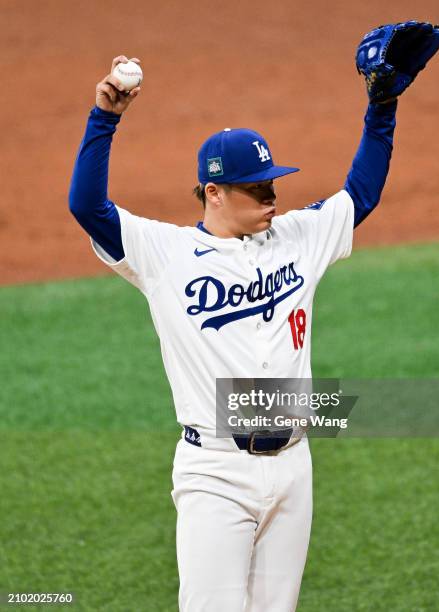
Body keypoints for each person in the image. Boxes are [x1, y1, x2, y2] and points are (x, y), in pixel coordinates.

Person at [69, 54, 397, 611]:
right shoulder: (164, 254)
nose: (272, 196)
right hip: (215, 471)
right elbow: (88, 206)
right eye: (255, 188)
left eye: (271, 182)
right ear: (213, 192)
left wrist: (382, 105)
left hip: (295, 467)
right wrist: (105, 119)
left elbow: (359, 194)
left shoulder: (297, 236)